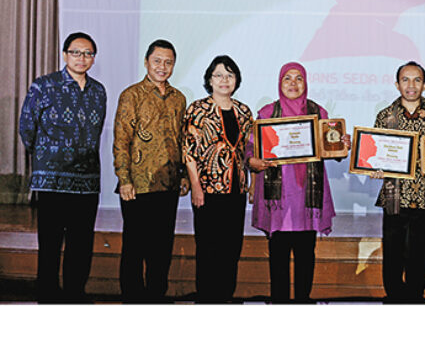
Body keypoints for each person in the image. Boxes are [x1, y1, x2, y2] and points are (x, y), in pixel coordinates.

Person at [248, 62, 349, 303]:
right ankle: (280, 304)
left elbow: (331, 149)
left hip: (307, 197)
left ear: (306, 82)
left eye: (298, 78)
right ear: (279, 82)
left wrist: (341, 145)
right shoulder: (266, 113)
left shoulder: (319, 112)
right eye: (287, 78)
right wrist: (252, 160)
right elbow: (251, 148)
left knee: (306, 254)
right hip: (278, 197)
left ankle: (303, 303)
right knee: (278, 256)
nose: (293, 83)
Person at [19, 32, 107, 302]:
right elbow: (27, 127)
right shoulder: (44, 86)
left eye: (88, 53)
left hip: (87, 180)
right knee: (51, 242)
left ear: (93, 59)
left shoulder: (98, 91)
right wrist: (46, 156)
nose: (82, 58)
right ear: (65, 54)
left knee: (81, 243)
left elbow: (97, 130)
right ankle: (47, 295)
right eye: (76, 52)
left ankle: (74, 294)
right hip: (52, 179)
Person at [112, 39, 188, 302]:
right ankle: (133, 301)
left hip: (168, 184)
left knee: (162, 248)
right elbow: (121, 141)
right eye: (157, 61)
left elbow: (182, 140)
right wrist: (124, 179)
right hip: (137, 185)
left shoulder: (179, 98)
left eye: (168, 62)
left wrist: (184, 175)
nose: (162, 67)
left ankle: (156, 298)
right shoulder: (131, 95)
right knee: (135, 248)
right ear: (146, 62)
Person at [371, 61, 425, 303]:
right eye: (405, 79)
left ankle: (415, 298)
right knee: (393, 252)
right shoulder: (385, 117)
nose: (411, 85)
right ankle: (394, 297)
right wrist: (374, 167)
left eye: (417, 80)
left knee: (421, 252)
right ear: (397, 84)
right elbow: (375, 154)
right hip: (394, 195)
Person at [182, 55, 254, 303]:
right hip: (207, 191)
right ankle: (207, 300)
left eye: (230, 75)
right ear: (209, 80)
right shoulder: (197, 110)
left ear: (237, 80)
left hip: (237, 191)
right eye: (219, 75)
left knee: (232, 249)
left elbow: (249, 151)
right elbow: (189, 151)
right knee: (208, 249)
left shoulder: (244, 112)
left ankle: (225, 298)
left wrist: (252, 184)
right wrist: (195, 186)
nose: (224, 80)